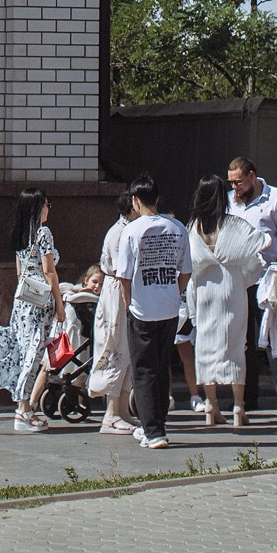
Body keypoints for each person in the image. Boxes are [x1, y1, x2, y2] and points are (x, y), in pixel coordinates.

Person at [0, 189, 63, 432]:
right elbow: (49, 271)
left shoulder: (20, 234)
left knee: (23, 350)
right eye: (47, 204)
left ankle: (24, 406)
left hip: (23, 300)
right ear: (39, 207)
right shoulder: (43, 233)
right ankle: (23, 410)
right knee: (33, 353)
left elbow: (20, 272)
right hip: (39, 302)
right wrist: (59, 304)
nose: (49, 208)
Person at [110, 175, 189, 450]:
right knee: (162, 367)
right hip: (169, 307)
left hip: (142, 308)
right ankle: (158, 425)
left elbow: (124, 276)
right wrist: (175, 294)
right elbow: (186, 270)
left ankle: (152, 430)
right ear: (157, 198)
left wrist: (129, 301)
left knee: (144, 370)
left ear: (134, 200)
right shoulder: (178, 227)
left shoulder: (131, 230)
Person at [187, 175, 267, 428]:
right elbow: (257, 252)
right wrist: (243, 278)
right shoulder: (235, 225)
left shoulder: (194, 227)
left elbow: (188, 265)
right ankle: (238, 406)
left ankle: (211, 405)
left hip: (204, 290)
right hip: (231, 288)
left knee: (205, 347)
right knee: (236, 346)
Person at [226, 157, 277, 410]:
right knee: (242, 338)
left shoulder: (276, 198)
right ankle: (246, 395)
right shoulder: (230, 200)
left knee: (271, 334)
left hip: (267, 277)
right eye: (231, 183)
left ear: (252, 177)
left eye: (239, 182)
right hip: (239, 278)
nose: (235, 188)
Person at [90, 189, 138, 435]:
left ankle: (123, 410)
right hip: (117, 293)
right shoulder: (119, 233)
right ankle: (110, 414)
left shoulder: (130, 229)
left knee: (127, 350)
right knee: (115, 348)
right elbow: (122, 270)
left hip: (124, 292)